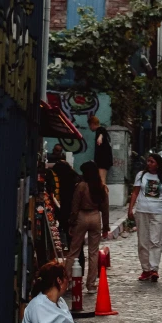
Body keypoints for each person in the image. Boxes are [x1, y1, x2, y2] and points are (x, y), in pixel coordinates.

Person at [65, 160, 109, 293]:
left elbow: (75, 206)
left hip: (82, 216)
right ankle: (91, 284)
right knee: (93, 252)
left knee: (74, 251)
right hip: (96, 217)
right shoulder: (101, 187)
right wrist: (105, 227)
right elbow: (105, 209)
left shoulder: (81, 186)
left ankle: (67, 281)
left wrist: (71, 222)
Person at [129, 153, 162, 282]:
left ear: (158, 164)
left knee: (156, 240)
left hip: (158, 211)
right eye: (148, 161)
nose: (149, 164)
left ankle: (154, 268)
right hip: (142, 210)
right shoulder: (141, 175)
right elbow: (135, 192)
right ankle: (145, 269)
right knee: (143, 241)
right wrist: (130, 208)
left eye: (152, 161)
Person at [46, 146, 80, 249]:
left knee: (69, 236)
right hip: (75, 213)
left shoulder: (66, 183)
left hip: (68, 212)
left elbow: (66, 200)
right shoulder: (75, 179)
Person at [87, 115, 113, 185]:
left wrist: (100, 136)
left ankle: (104, 195)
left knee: (102, 181)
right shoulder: (102, 132)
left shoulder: (99, 130)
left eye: (89, 125)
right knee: (102, 180)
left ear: (92, 124)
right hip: (105, 160)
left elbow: (102, 131)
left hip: (102, 160)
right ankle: (105, 195)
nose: (90, 128)